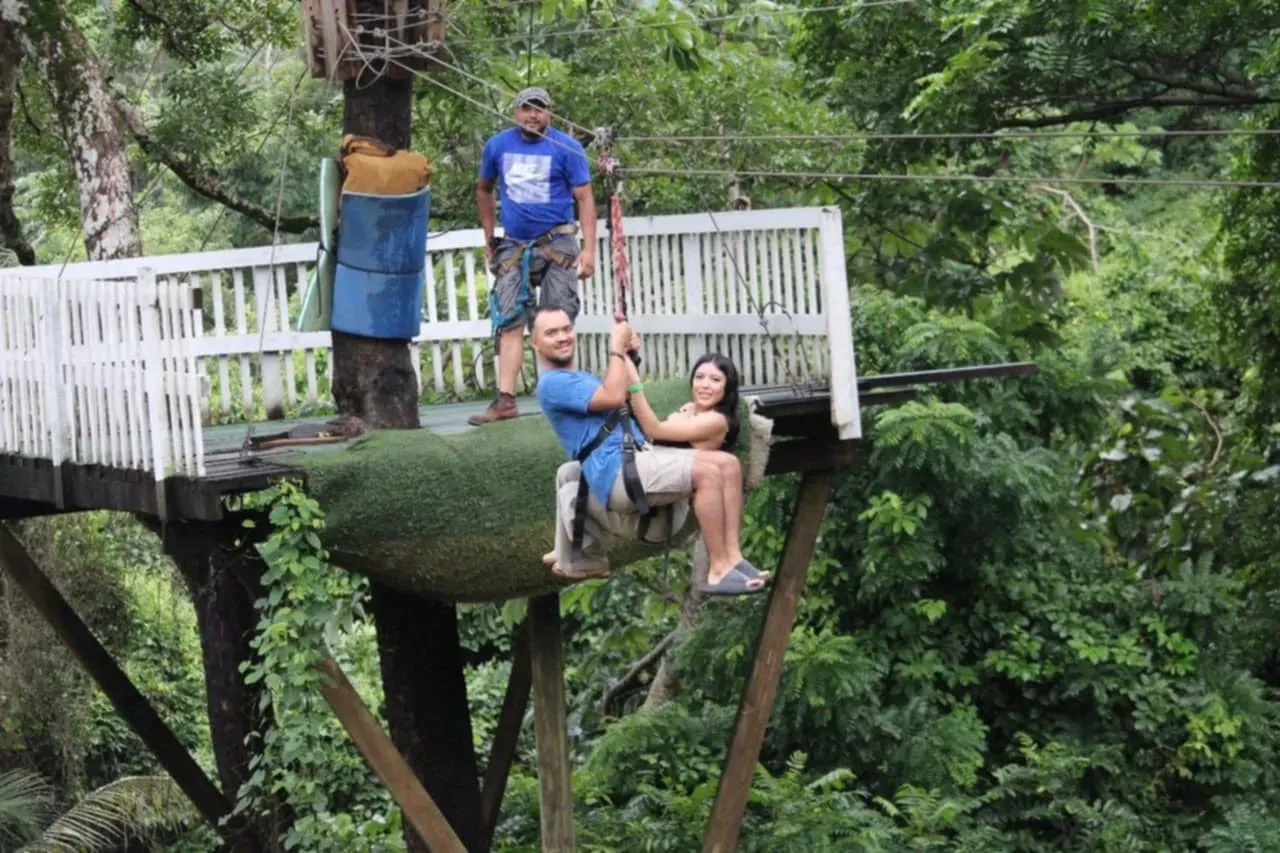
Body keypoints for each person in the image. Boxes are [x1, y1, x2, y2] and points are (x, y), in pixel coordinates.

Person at [531, 306, 766, 595]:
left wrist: (628, 357)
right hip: (620, 471)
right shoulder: (553, 383)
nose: (562, 336)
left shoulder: (580, 378)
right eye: (551, 333)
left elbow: (621, 401)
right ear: (535, 343)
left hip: (638, 458)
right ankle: (718, 569)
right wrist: (616, 347)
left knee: (728, 464)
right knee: (708, 473)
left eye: (566, 329)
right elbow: (615, 397)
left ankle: (733, 559)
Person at [470, 86, 597, 426]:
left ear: (549, 112)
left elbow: (585, 198)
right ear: (516, 112)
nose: (532, 115)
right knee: (510, 319)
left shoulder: (566, 147)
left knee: (557, 323)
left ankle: (563, 398)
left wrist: (589, 250)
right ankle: (505, 400)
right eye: (526, 108)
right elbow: (483, 189)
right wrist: (488, 236)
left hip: (558, 242)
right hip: (514, 245)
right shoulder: (498, 145)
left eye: (539, 109)